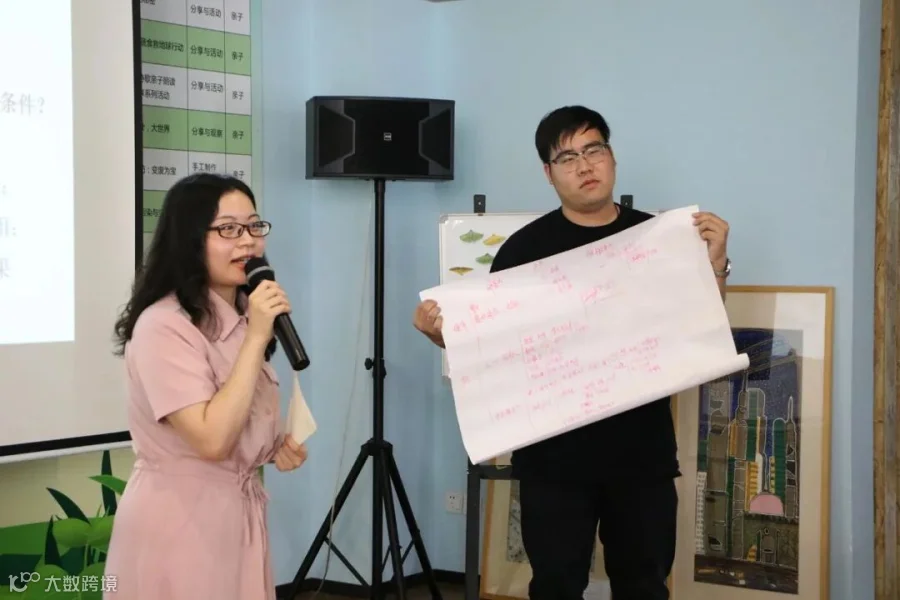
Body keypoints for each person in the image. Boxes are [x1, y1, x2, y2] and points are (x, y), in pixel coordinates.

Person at [413, 106, 731, 600]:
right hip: (553, 461)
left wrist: (716, 265)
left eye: (593, 150)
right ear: (549, 173)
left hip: (641, 454)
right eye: (567, 158)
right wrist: (440, 335)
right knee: (556, 586)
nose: (584, 166)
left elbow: (700, 329)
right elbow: (495, 353)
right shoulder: (522, 251)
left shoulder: (656, 238)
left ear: (612, 157)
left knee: (645, 585)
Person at [105, 173, 309, 600]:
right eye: (228, 229)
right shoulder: (163, 326)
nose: (248, 241)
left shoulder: (241, 318)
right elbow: (211, 439)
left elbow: (235, 413)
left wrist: (272, 447)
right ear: (190, 239)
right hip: (180, 522)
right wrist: (257, 335)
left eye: (254, 226)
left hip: (235, 520)